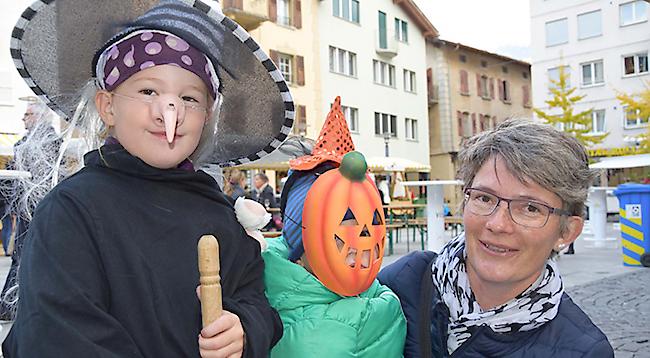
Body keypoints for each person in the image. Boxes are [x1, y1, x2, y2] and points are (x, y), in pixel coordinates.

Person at [3, 0, 296, 356]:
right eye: (148, 91)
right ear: (107, 106)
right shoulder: (71, 211)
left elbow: (255, 299)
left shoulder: (219, 213)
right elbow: (56, 331)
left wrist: (244, 328)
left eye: (189, 97)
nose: (168, 111)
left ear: (206, 116)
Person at [378, 118, 614, 357]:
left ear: (567, 232)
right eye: (485, 198)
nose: (498, 224)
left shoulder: (583, 350)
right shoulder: (400, 285)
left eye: (531, 208)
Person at [262, 97, 406, 357]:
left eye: (372, 220)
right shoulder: (260, 302)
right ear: (302, 242)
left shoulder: (383, 299)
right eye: (344, 223)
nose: (364, 235)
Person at [0, 100, 62, 321]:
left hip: (37, 207)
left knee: (26, 255)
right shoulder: (30, 142)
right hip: (31, 206)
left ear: (40, 117)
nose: (23, 119)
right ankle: (11, 306)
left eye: (28, 115)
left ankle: (10, 306)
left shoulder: (47, 141)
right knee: (24, 255)